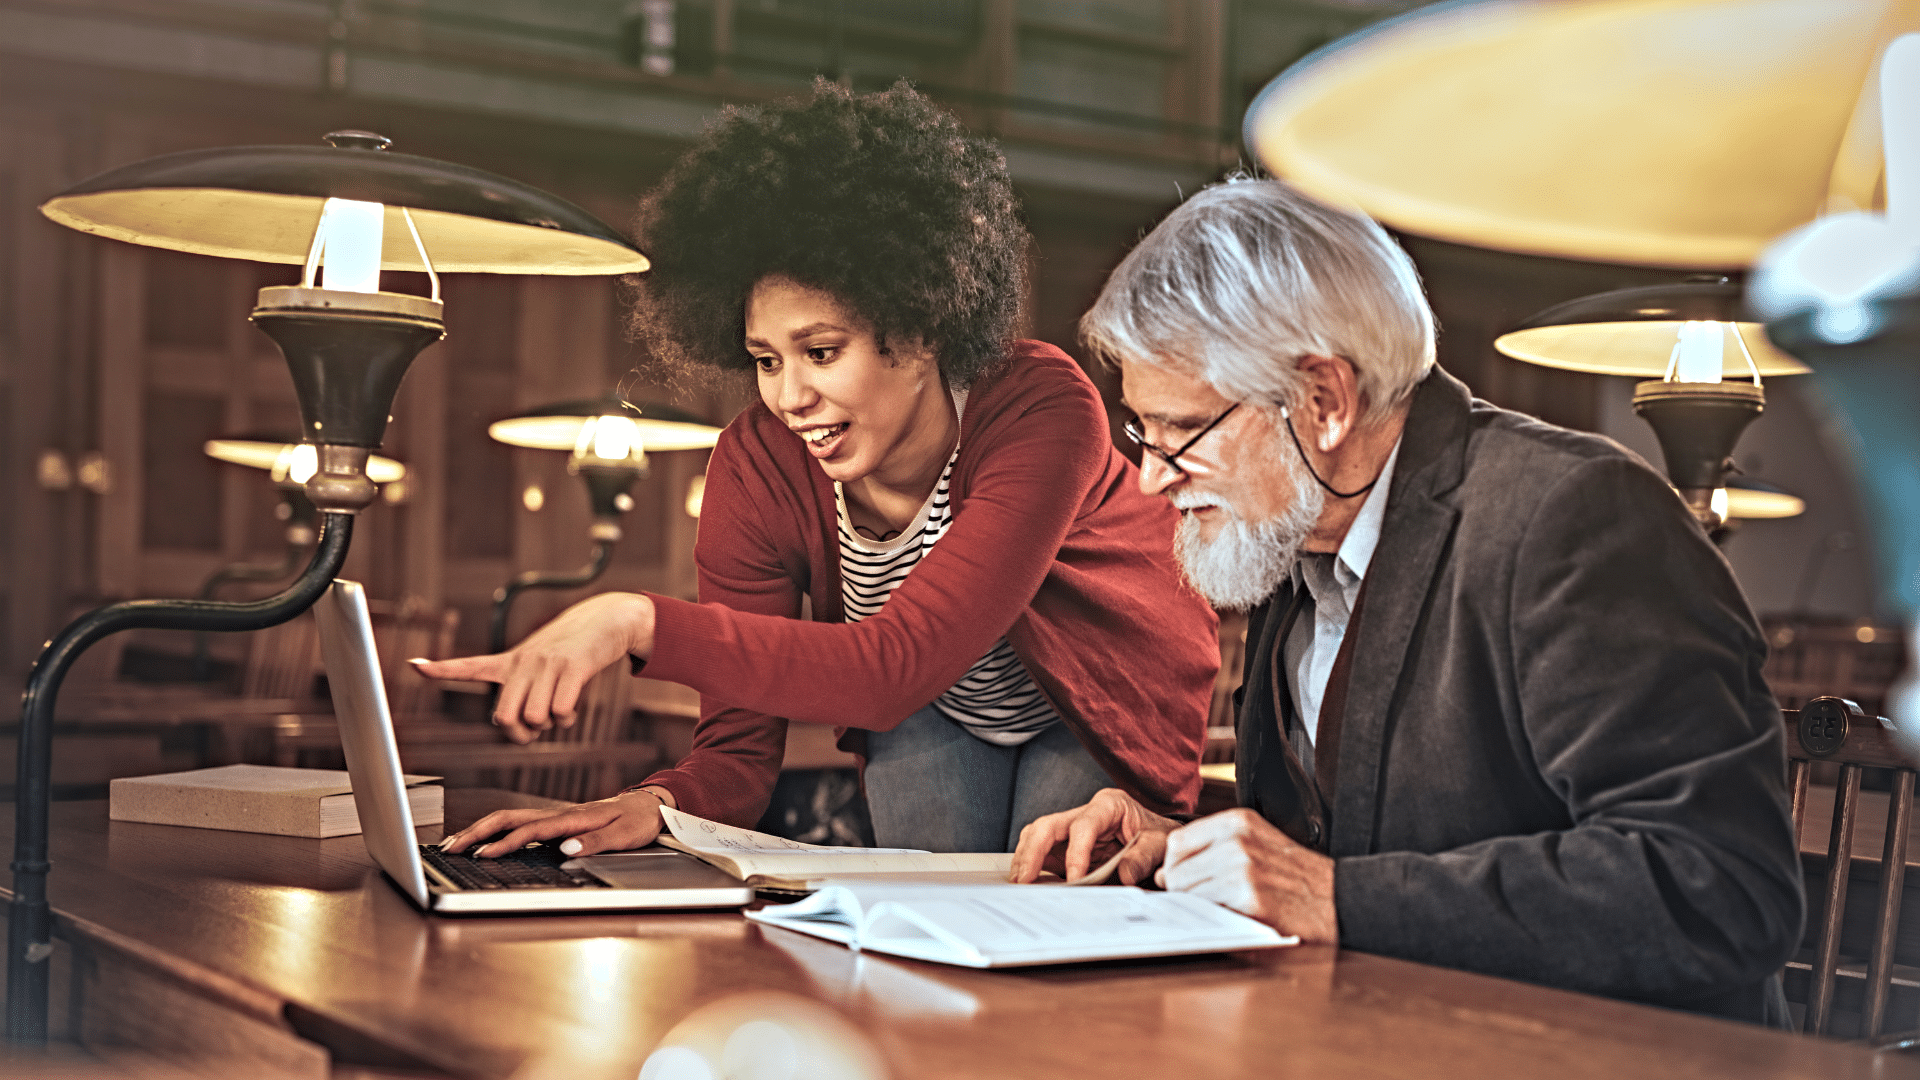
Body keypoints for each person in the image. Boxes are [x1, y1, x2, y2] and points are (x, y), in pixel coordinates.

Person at [1009, 179, 1804, 1025]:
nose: (1151, 477)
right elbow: (1361, 838)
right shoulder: (1295, 534)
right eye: (1145, 431)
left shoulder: (1576, 517)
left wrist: (1335, 899)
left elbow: (1720, 887)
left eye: (1183, 431)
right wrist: (1179, 847)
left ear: (1323, 402)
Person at [418, 82, 1218, 857]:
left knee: (1050, 904)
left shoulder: (1039, 406)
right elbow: (736, 754)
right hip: (937, 701)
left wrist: (637, 622)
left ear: (922, 327)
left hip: (1106, 699)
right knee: (925, 916)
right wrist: (656, 804)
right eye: (766, 360)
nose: (790, 397)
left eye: (822, 352)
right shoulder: (758, 466)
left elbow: (891, 667)